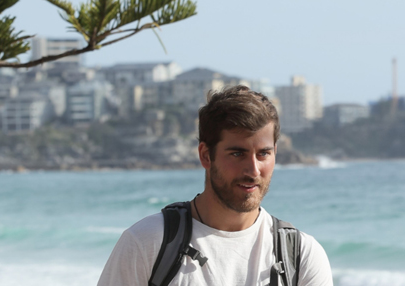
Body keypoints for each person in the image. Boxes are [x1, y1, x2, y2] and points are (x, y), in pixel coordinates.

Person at [98, 85, 333, 286]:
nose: (253, 170)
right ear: (205, 155)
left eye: (263, 154)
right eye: (237, 153)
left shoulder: (301, 256)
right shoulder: (147, 242)